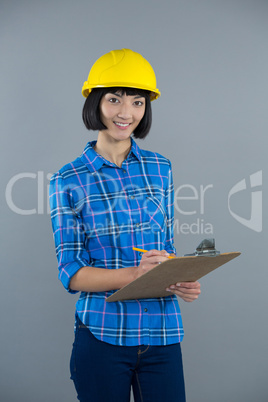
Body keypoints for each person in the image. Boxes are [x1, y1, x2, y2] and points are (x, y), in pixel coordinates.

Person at [49, 48, 201, 402]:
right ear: (95, 102)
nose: (126, 112)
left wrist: (180, 278)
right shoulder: (67, 179)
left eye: (137, 102)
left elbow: (165, 247)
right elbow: (70, 272)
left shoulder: (160, 168)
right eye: (115, 99)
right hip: (103, 336)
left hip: (162, 335)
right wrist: (137, 274)